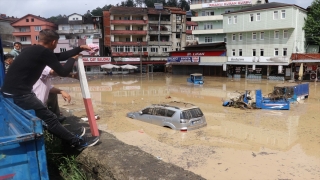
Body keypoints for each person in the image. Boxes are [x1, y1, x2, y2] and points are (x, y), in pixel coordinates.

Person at [1, 29, 99, 151]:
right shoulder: (43, 52)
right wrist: (73, 59)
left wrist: (80, 48)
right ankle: (77, 143)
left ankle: (69, 139)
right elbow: (63, 72)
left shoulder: (31, 50)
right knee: (50, 119)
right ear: (54, 42)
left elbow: (59, 56)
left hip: (8, 93)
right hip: (21, 94)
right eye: (57, 43)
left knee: (44, 118)